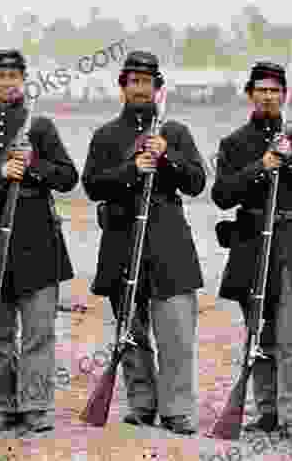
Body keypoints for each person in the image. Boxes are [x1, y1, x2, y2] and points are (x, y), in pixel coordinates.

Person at [0, 49, 78, 435]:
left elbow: (69, 177)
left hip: (38, 242)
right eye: (0, 76)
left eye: (13, 76)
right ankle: (6, 407)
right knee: (1, 334)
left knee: (39, 332)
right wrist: (0, 171)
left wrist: (33, 165)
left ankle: (36, 407)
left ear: (23, 79)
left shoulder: (40, 126)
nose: (7, 82)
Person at [82, 50, 206, 435]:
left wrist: (165, 157)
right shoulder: (105, 136)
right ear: (123, 87)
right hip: (122, 239)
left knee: (176, 333)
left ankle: (177, 409)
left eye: (146, 82)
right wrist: (132, 169)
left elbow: (197, 182)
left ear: (157, 88)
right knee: (130, 333)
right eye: (132, 81)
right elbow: (91, 185)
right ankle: (141, 403)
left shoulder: (176, 132)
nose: (140, 88)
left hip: (168, 240)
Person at [211, 61, 292, 438]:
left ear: (285, 95)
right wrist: (261, 166)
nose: (268, 95)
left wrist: (291, 160)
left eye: (275, 90)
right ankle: (267, 412)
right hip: (251, 243)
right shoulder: (233, 143)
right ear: (250, 94)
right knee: (259, 337)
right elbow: (221, 195)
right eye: (261, 89)